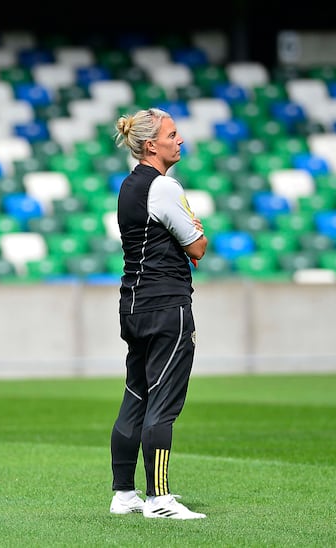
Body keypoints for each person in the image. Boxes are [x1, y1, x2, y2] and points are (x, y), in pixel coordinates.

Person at [108, 108, 208, 520]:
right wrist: (194, 230)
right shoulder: (164, 187)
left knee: (136, 396)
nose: (179, 139)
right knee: (163, 403)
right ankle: (159, 499)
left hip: (132, 306)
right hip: (166, 306)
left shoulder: (128, 187)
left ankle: (123, 493)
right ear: (152, 145)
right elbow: (198, 247)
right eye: (172, 134)